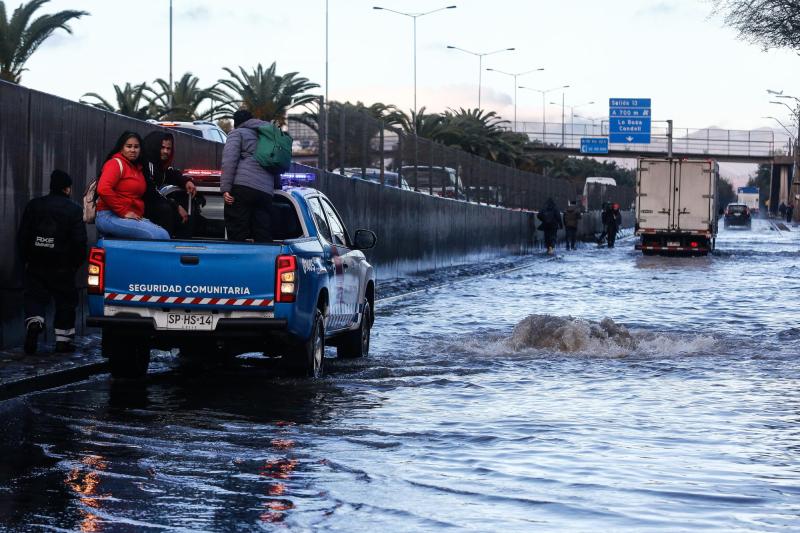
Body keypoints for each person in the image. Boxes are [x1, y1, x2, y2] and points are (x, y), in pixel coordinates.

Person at [17, 170, 87, 354]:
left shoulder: (34, 205)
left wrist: (25, 259)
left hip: (36, 262)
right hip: (63, 265)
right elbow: (80, 241)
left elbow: (23, 236)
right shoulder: (74, 209)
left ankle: (35, 321)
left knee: (34, 296)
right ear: (67, 188)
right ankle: (63, 341)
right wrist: (74, 264)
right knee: (65, 302)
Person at [95, 131, 170, 240]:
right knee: (160, 236)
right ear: (121, 148)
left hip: (129, 216)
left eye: (136, 147)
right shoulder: (115, 163)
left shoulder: (137, 168)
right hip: (109, 216)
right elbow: (103, 189)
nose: (133, 150)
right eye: (129, 146)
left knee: (164, 233)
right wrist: (123, 211)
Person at [221, 109, 277, 242]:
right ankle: (263, 261)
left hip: (243, 188)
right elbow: (276, 161)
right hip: (265, 192)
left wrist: (225, 189)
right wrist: (275, 186)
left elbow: (229, 161)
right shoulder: (267, 136)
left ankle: (237, 260)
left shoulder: (237, 133)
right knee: (263, 232)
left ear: (236, 122)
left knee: (237, 232)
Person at [141, 131, 196, 237]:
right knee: (166, 210)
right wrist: (176, 206)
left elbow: (172, 174)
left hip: (152, 204)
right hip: (140, 208)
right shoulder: (146, 164)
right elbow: (150, 192)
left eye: (168, 148)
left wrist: (187, 181)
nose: (166, 151)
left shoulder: (160, 165)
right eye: (162, 147)